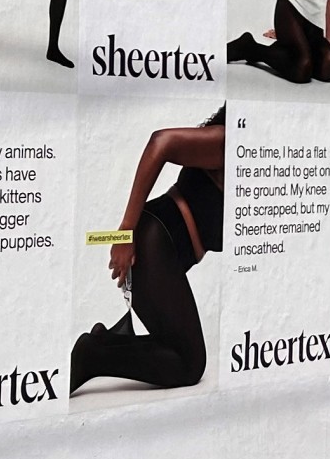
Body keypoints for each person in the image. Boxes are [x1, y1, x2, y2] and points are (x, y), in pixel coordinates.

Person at [71, 114, 226, 392]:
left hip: (165, 253)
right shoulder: (230, 142)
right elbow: (161, 142)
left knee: (177, 351)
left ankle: (106, 342)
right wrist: (126, 231)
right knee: (189, 364)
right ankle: (92, 355)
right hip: (151, 244)